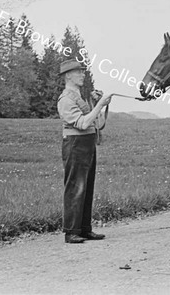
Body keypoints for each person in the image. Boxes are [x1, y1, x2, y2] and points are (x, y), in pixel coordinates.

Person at [57, 60, 112, 243]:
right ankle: (71, 231)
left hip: (87, 144)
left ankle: (84, 229)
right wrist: (99, 105)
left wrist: (99, 104)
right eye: (78, 72)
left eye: (82, 71)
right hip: (75, 144)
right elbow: (82, 123)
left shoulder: (79, 98)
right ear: (68, 76)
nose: (83, 74)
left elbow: (94, 122)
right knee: (75, 187)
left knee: (87, 186)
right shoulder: (65, 100)